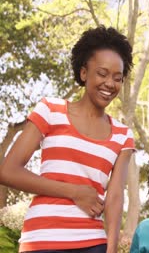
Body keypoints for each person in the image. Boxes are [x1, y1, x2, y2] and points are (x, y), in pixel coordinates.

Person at [0, 26, 134, 253]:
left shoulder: (123, 135)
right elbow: (8, 171)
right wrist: (74, 192)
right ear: (84, 73)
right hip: (41, 239)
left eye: (117, 78)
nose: (110, 84)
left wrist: (111, 250)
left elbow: (115, 197)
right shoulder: (50, 110)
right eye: (102, 73)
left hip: (93, 243)